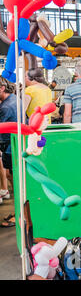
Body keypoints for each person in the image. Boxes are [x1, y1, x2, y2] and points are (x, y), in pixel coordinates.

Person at [0, 77, 16, 226]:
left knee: (15, 181)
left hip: (11, 147)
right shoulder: (14, 99)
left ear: (2, 88)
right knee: (12, 177)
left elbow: (2, 131)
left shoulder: (6, 107)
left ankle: (20, 215)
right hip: (14, 145)